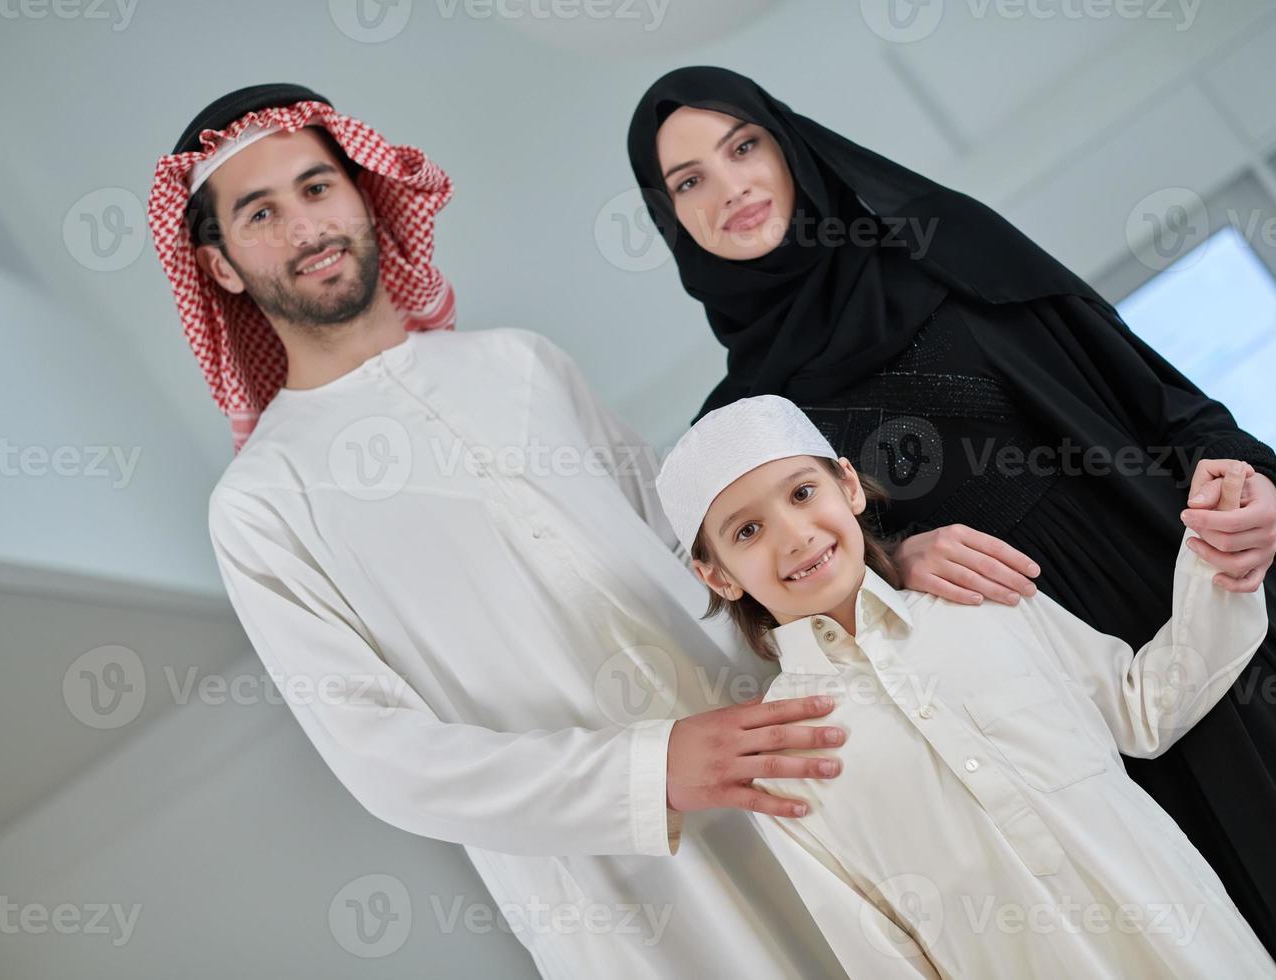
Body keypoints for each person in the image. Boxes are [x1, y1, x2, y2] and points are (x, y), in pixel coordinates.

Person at [627, 65, 1276, 977]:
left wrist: (1248, 486)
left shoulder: (946, 247)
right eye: (688, 179)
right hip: (1033, 718)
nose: (729, 186)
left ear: (789, 146)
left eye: (744, 146)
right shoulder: (746, 425)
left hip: (1192, 621)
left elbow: (1164, 401)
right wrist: (891, 552)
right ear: (667, 217)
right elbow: (811, 604)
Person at [148, 82, 859, 978]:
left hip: (792, 765)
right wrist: (646, 775)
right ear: (217, 266)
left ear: (364, 195)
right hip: (628, 892)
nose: (306, 226)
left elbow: (707, 549)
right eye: (261, 211)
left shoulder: (520, 363)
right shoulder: (261, 504)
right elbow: (383, 756)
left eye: (318, 187)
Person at [654, 393, 1276, 978]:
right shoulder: (778, 756)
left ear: (847, 485)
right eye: (746, 531)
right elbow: (880, 953)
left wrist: (1217, 552)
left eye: (801, 492)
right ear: (717, 576)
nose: (793, 535)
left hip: (1191, 944)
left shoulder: (981, 603)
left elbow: (1145, 708)